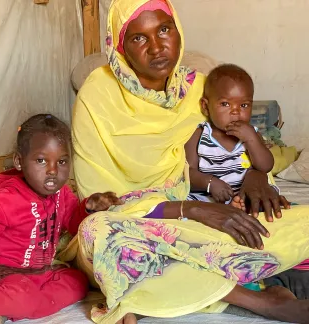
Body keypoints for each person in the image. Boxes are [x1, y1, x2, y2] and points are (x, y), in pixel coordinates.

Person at [63, 0, 309, 323]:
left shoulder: (196, 90)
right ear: (120, 47)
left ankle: (177, 285)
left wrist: (255, 177)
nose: (157, 47)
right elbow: (99, 203)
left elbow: (235, 147)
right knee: (99, 236)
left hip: (204, 214)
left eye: (164, 30)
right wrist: (191, 210)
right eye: (139, 38)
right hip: (138, 222)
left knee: (272, 220)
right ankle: (259, 300)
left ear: (177, 30)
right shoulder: (97, 98)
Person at [0, 115, 122, 324]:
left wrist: (89, 207)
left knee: (78, 282)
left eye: (62, 161)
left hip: (37, 273)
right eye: (41, 161)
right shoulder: (3, 202)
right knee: (22, 293)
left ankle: (6, 306)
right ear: (19, 161)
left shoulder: (61, 194)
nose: (53, 171)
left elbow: (72, 222)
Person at [186, 64, 278, 205]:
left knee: (267, 198)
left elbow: (266, 166)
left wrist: (251, 139)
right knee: (187, 201)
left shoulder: (251, 134)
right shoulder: (199, 134)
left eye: (244, 105)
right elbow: (188, 173)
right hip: (208, 198)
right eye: (225, 104)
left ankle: (239, 206)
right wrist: (210, 183)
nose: (235, 111)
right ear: (205, 107)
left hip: (245, 195)